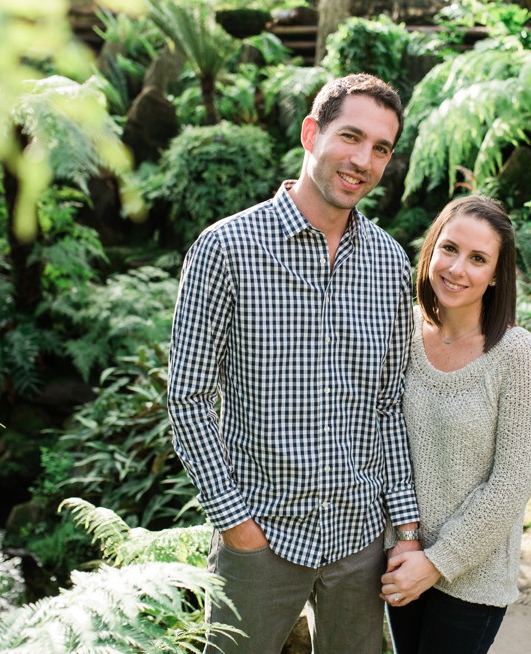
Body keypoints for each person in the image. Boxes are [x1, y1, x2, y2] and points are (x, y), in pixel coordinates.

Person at [167, 73, 420, 654]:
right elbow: (188, 400)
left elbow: (386, 408)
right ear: (312, 132)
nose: (363, 160)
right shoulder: (226, 248)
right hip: (261, 537)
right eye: (351, 137)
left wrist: (404, 530)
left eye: (381, 148)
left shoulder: (387, 263)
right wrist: (238, 526)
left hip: (360, 541)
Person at [379, 195, 531, 654]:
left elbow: (513, 480)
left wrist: (436, 562)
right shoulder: (402, 333)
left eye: (478, 259)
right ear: (431, 249)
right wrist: (409, 545)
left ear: (496, 275)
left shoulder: (516, 354)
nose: (457, 268)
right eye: (449, 249)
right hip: (401, 556)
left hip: (471, 577)